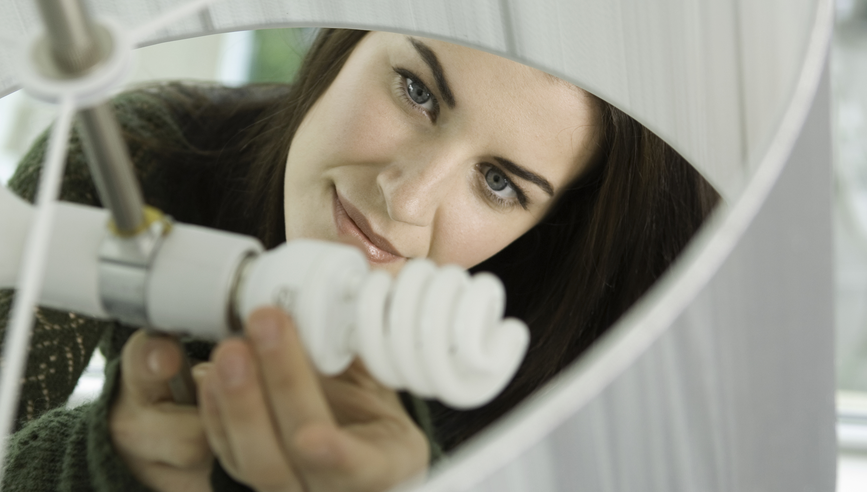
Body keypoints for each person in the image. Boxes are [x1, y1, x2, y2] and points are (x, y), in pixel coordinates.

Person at [0, 29, 718, 491]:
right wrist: (107, 463)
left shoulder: (576, 376)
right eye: (417, 91)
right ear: (347, 41)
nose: (405, 198)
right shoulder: (134, 158)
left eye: (498, 182)